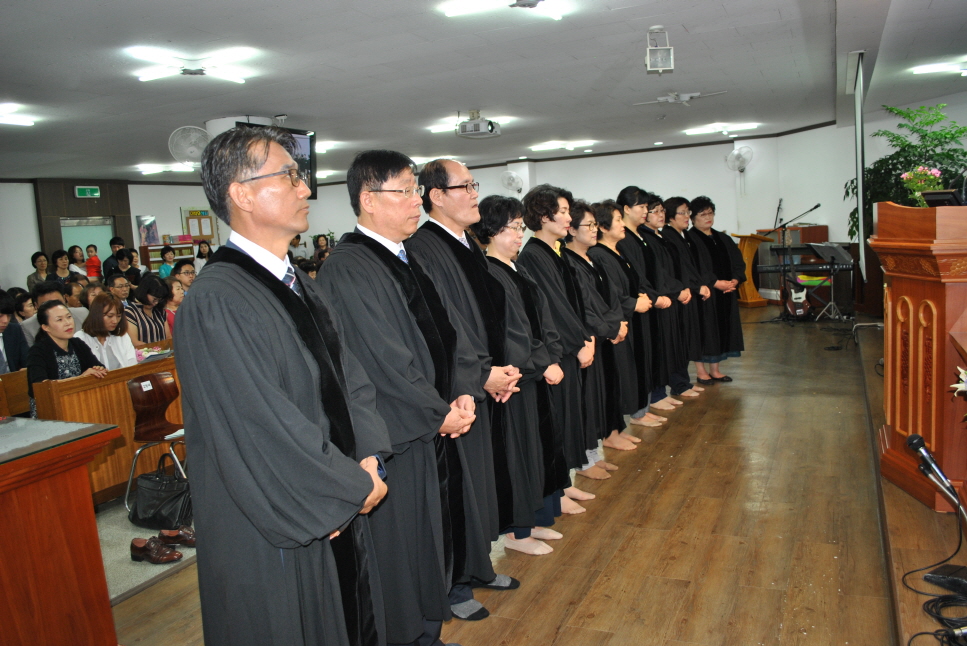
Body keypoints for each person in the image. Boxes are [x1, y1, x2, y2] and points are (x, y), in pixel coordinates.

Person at [177, 125, 391, 646]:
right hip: (279, 514)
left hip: (337, 488)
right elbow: (260, 427)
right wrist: (343, 489)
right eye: (290, 176)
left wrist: (368, 458)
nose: (305, 189)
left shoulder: (299, 284)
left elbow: (351, 379)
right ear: (242, 194)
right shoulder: (218, 300)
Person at [318, 149, 479, 646]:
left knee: (430, 537)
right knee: (402, 548)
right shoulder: (349, 267)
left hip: (433, 419)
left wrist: (462, 390)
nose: (416, 201)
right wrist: (436, 412)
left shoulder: (407, 256)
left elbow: (448, 329)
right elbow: (381, 358)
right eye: (405, 191)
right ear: (368, 200)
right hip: (396, 432)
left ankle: (429, 628)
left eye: (416, 190)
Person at [407, 158, 521, 621]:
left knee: (482, 485)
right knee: (458, 490)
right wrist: (480, 374)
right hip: (458, 388)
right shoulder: (424, 248)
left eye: (475, 184)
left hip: (485, 380)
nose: (475, 193)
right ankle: (454, 585)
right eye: (466, 186)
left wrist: (501, 368)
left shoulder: (466, 242)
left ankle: (477, 566)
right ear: (436, 195)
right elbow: (444, 325)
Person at [470, 195, 570, 556]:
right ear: (492, 231)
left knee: (538, 451)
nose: (518, 235)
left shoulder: (515, 269)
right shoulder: (489, 274)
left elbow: (542, 319)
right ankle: (517, 532)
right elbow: (511, 334)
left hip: (536, 373)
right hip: (518, 379)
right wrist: (542, 363)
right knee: (519, 456)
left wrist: (552, 355)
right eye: (512, 228)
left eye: (519, 228)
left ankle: (535, 518)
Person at [516, 185, 595, 514]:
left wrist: (587, 336)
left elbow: (574, 300)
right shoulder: (533, 255)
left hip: (571, 346)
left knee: (570, 418)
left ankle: (565, 482)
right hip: (558, 350)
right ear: (543, 216)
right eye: (561, 212)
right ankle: (557, 490)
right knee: (558, 422)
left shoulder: (556, 250)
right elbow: (552, 308)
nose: (568, 218)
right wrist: (579, 342)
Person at [562, 200, 632, 469]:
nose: (594, 230)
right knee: (588, 402)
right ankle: (587, 460)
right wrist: (611, 328)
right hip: (591, 340)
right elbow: (585, 308)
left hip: (607, 337)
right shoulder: (569, 263)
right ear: (571, 230)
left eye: (595, 224)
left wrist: (618, 324)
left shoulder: (593, 259)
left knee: (605, 394)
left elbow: (611, 299)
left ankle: (597, 451)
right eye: (588, 225)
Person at [587, 201, 659, 431]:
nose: (622, 224)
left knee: (640, 365)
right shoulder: (598, 255)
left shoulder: (620, 250)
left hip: (636, 318)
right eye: (618, 220)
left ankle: (641, 409)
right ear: (603, 227)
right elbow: (611, 294)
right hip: (621, 321)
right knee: (623, 374)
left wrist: (645, 297)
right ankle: (631, 416)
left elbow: (636, 281)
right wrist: (633, 303)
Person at [663, 197, 720, 385]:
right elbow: (680, 268)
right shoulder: (669, 236)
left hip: (692, 291)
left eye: (688, 212)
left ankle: (684, 383)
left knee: (691, 337)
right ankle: (682, 383)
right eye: (683, 213)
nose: (687, 216)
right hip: (682, 294)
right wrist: (696, 286)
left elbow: (696, 265)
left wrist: (704, 283)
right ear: (671, 216)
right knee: (683, 340)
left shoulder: (684, 235)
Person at [687, 195, 745, 380]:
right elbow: (693, 267)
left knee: (721, 330)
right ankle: (701, 371)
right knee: (705, 331)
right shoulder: (689, 239)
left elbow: (738, 262)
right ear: (692, 217)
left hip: (726, 293)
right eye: (702, 214)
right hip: (704, 293)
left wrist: (735, 280)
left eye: (710, 213)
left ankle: (715, 370)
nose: (708, 217)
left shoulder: (723, 238)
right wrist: (714, 283)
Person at [26, 301, 107, 415]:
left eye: (69, 317)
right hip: (50, 412)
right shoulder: (37, 351)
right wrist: (80, 379)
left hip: (80, 405)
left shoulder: (77, 344)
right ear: (45, 327)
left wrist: (98, 370)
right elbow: (41, 387)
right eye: (59, 320)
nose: (68, 323)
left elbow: (97, 367)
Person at [74, 292, 138, 369]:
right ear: (97, 314)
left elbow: (132, 364)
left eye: (118, 316)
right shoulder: (80, 339)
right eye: (110, 316)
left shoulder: (121, 335)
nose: (115, 321)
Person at [20, 281, 89, 346]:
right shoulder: (27, 326)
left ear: (64, 298)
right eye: (47, 305)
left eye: (57, 302)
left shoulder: (83, 313)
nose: (55, 309)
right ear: (36, 305)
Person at [125, 274, 171, 348]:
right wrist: (155, 350)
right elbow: (134, 342)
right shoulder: (130, 312)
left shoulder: (159, 311)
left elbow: (168, 337)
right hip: (143, 353)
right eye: (154, 299)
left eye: (159, 300)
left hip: (162, 352)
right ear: (145, 292)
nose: (156, 303)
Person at [0, 292, 29, 373]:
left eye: (9, 316)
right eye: (0, 316)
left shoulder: (14, 330)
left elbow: (27, 359)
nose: (5, 320)